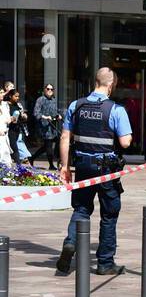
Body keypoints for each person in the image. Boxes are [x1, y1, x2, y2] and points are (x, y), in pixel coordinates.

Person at [56, 66, 133, 276]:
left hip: (82, 166)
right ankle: (105, 262)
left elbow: (65, 138)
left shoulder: (76, 106)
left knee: (81, 208)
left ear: (95, 83)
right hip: (107, 169)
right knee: (109, 213)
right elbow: (125, 143)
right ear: (110, 85)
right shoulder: (116, 110)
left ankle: (71, 242)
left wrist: (65, 167)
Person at [32, 83, 60, 169]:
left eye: (51, 89)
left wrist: (58, 115)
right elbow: (36, 113)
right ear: (44, 90)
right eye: (48, 89)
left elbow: (55, 112)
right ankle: (51, 165)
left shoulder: (53, 100)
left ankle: (32, 158)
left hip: (53, 126)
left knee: (53, 143)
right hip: (44, 127)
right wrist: (45, 117)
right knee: (48, 146)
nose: (50, 91)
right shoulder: (40, 100)